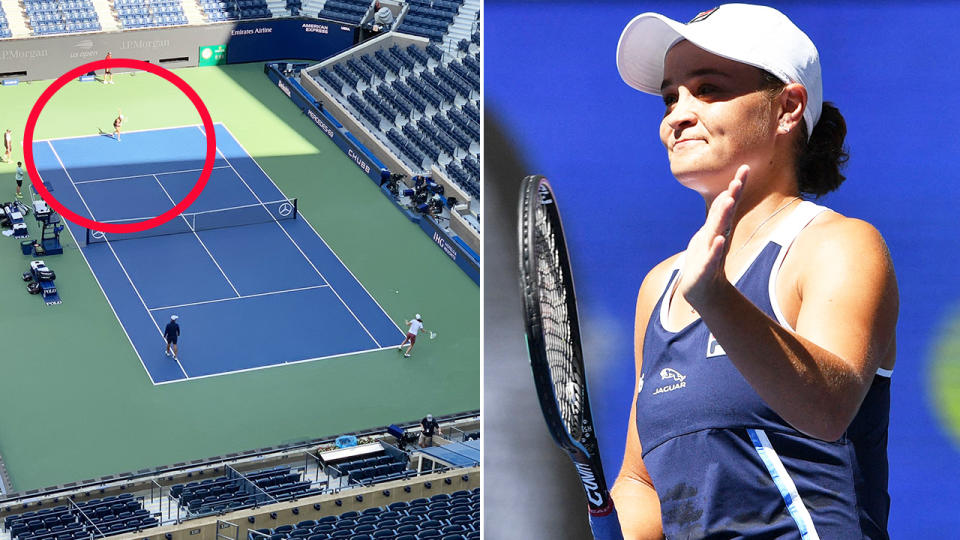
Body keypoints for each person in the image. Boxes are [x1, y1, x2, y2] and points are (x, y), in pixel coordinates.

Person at [610, 5, 898, 539]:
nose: (678, 114)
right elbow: (643, 485)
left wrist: (717, 299)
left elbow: (826, 411)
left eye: (709, 89)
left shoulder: (839, 245)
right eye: (671, 96)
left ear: (788, 108)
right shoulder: (660, 287)